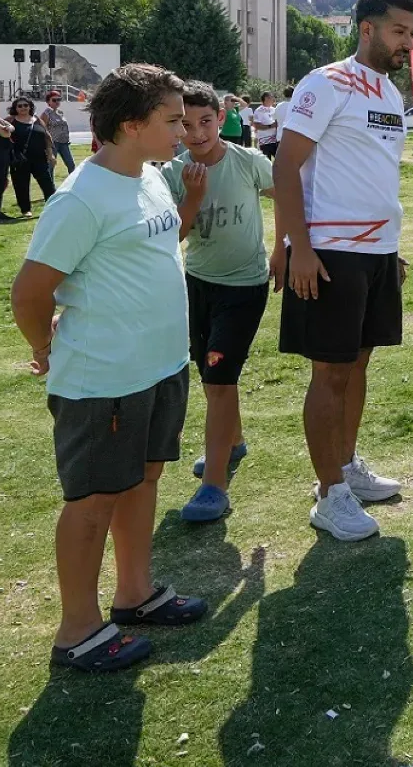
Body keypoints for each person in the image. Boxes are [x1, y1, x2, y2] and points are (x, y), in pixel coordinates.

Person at [10, 63, 207, 673]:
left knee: (143, 481)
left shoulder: (146, 177)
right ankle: (77, 629)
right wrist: (43, 345)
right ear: (129, 125)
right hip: (104, 380)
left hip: (160, 366)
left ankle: (134, 594)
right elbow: (31, 290)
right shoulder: (80, 199)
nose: (183, 132)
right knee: (93, 501)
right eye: (172, 121)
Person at [273, 0, 413, 542]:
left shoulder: (387, 91)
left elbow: (374, 173)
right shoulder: (325, 82)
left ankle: (348, 467)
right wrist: (298, 248)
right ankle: (328, 494)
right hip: (330, 254)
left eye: (410, 33)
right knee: (329, 372)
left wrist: (391, 248)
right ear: (366, 30)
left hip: (377, 254)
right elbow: (285, 168)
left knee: (358, 365)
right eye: (399, 32)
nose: (407, 42)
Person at [162, 83, 275, 524]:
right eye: (185, 125)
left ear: (222, 116)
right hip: (197, 283)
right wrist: (192, 198)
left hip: (245, 286)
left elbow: (285, 193)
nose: (197, 133)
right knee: (211, 373)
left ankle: (213, 485)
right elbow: (175, 238)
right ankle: (233, 442)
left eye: (205, 121)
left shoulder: (247, 162)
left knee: (218, 378)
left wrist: (284, 248)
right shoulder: (175, 172)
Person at [8, 96, 58, 217]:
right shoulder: (10, 120)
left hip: (39, 158)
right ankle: (26, 210)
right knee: (21, 185)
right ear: (15, 108)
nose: (23, 108)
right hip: (20, 159)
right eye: (19, 106)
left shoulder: (37, 119)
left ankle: (54, 207)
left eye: (26, 105)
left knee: (47, 184)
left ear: (30, 106)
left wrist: (50, 154)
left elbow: (47, 137)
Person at [41, 92, 76, 175]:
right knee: (51, 166)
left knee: (71, 164)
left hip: (64, 143)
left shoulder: (60, 112)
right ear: (48, 102)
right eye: (54, 100)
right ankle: (51, 187)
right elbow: (42, 128)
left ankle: (72, 185)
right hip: (53, 143)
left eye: (59, 100)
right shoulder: (46, 113)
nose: (57, 102)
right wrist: (46, 144)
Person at [252, 93, 279, 159]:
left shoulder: (274, 109)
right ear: (266, 98)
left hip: (275, 140)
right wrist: (271, 126)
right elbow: (257, 126)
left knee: (279, 162)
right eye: (272, 97)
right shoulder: (258, 111)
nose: (273, 99)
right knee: (267, 163)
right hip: (264, 142)